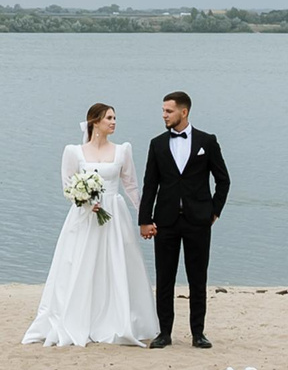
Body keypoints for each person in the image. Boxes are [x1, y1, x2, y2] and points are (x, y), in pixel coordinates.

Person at [22, 102, 157, 347]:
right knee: (80, 264)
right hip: (86, 217)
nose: (114, 122)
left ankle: (116, 319)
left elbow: (131, 187)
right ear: (95, 121)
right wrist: (86, 202)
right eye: (109, 118)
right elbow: (67, 186)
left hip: (114, 215)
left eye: (115, 117)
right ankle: (80, 318)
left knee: (116, 264)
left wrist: (145, 217)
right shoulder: (74, 151)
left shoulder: (123, 150)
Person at [136, 90, 229, 349]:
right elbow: (150, 185)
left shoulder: (207, 141)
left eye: (169, 111)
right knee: (164, 278)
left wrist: (214, 211)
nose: (164, 115)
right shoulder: (157, 144)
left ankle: (198, 333)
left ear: (183, 112)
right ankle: (164, 333)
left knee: (197, 278)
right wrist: (145, 219)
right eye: (163, 111)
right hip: (165, 221)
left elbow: (223, 180)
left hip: (198, 221)